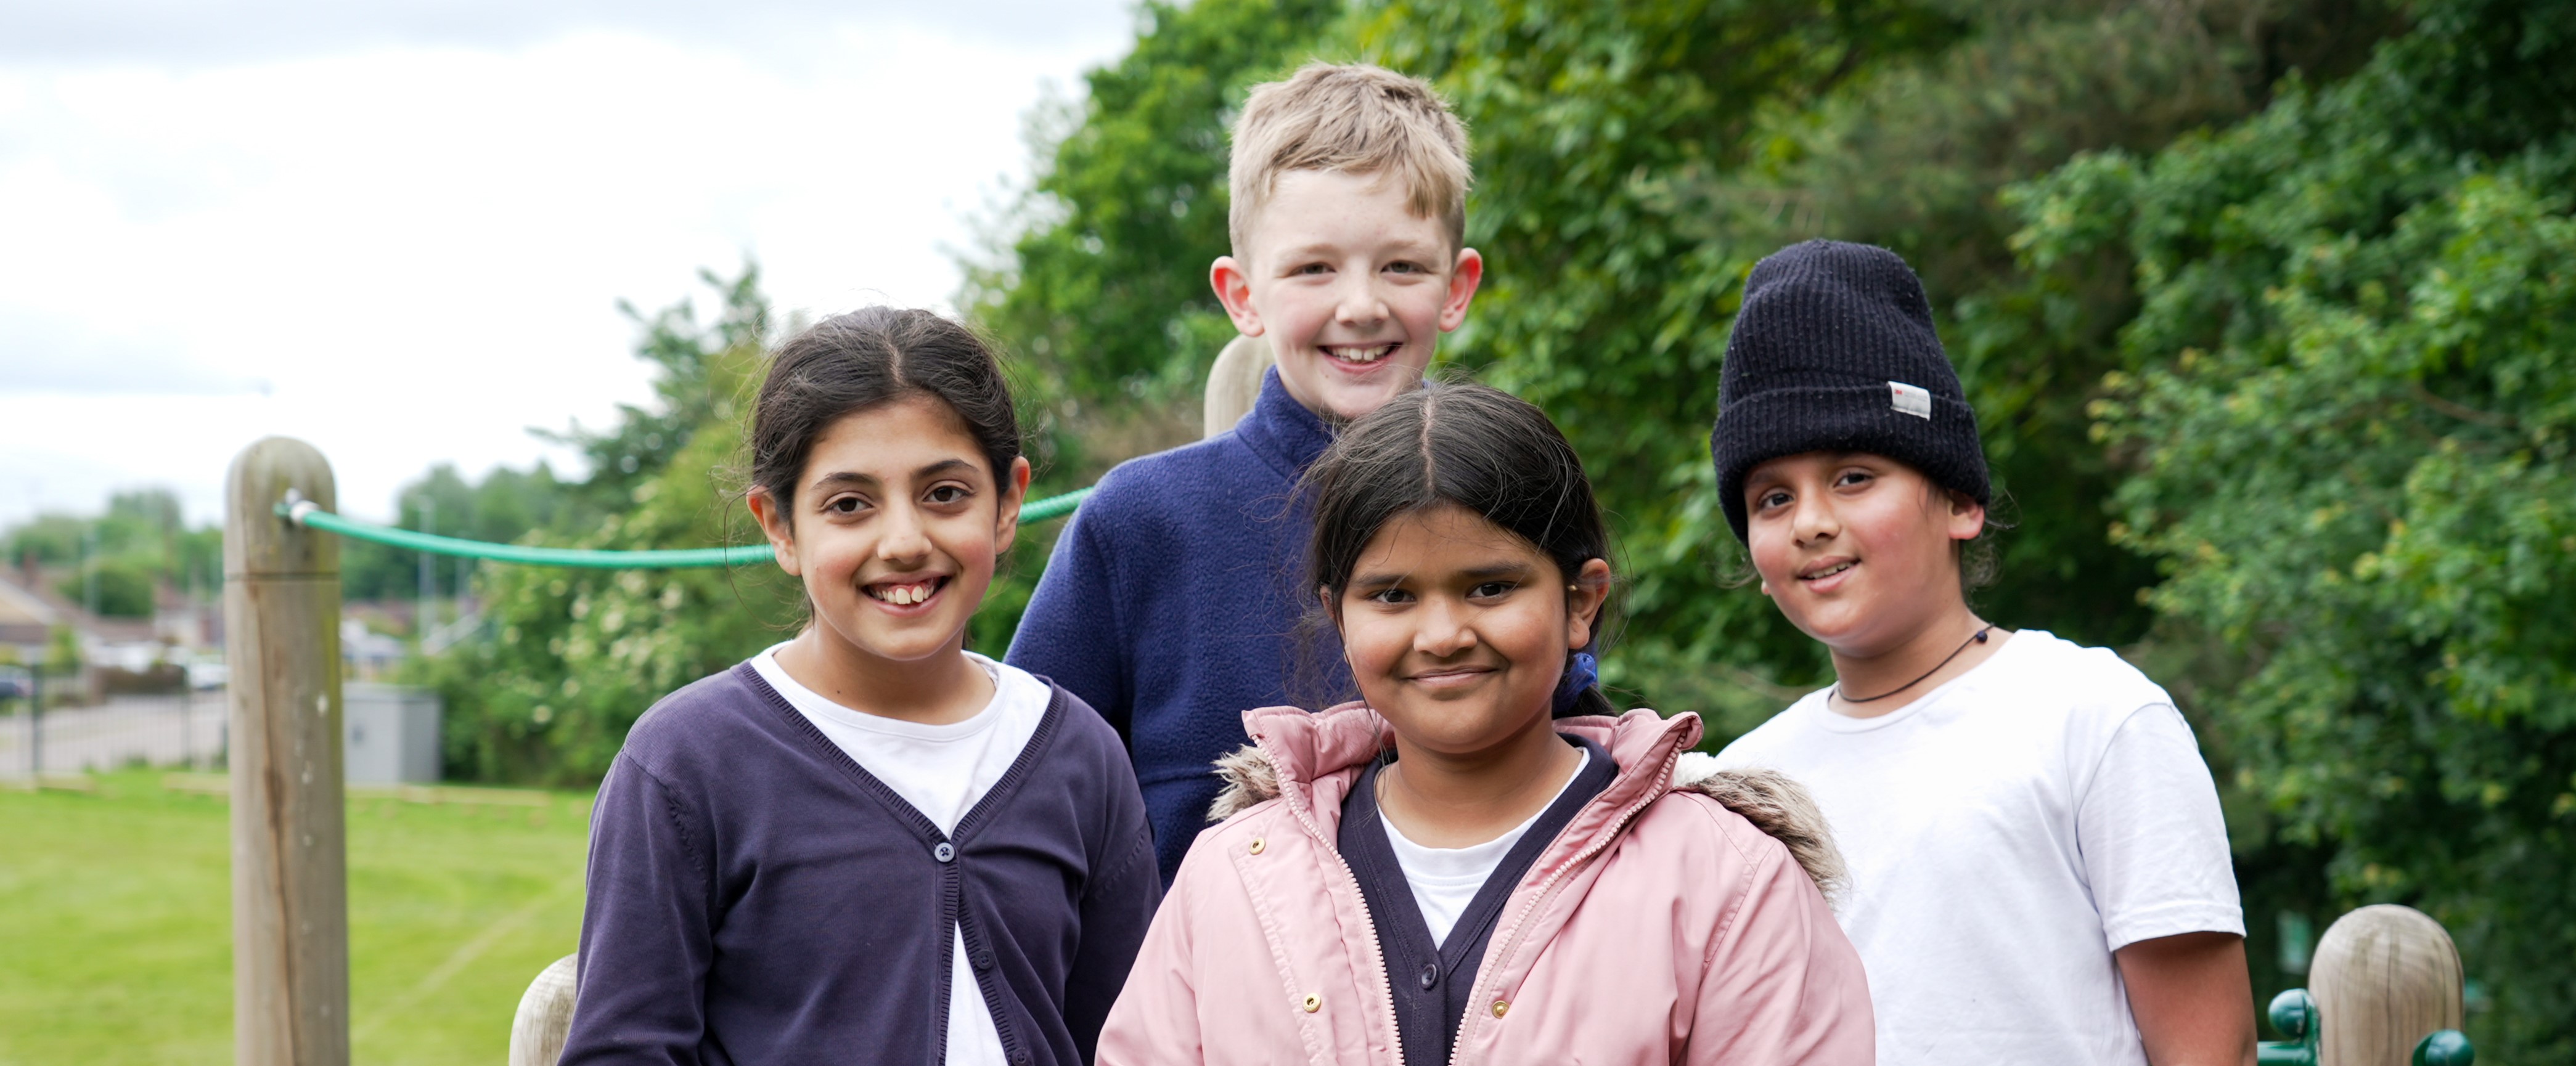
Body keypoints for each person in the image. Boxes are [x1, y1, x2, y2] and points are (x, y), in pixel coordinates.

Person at [1098, 382, 1874, 1066]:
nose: (1441, 634)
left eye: (1490, 587)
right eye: (1393, 595)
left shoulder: (1726, 882)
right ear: (1338, 615)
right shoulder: (1235, 875)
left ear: (1580, 601)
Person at [1704, 240, 2255, 1065]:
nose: (1809, 521)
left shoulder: (2092, 716)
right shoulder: (1742, 786)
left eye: (1853, 476)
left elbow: (2209, 1048)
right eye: (1771, 497)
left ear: (1959, 500)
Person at [559, 308, 1160, 1066]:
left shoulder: (1080, 754)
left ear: (1009, 501)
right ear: (778, 524)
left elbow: (1135, 1039)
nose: (905, 541)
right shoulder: (685, 762)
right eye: (849, 504)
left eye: (945, 492)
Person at [1007, 62, 1486, 884]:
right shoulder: (1142, 521)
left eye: (1401, 267)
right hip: (1193, 1004)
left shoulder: (1507, 499)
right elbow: (1017, 797)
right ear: (1242, 295)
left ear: (1456, 287)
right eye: (1313, 269)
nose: (1361, 304)